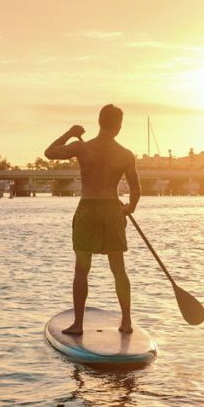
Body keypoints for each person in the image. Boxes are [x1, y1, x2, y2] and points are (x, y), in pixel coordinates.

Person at [45, 104, 141, 335]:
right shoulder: (126, 154)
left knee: (82, 269)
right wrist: (130, 208)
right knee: (119, 269)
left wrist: (69, 133)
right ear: (118, 126)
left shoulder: (82, 147)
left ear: (99, 122)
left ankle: (78, 325)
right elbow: (136, 189)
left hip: (88, 209)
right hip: (112, 209)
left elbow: (49, 152)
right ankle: (126, 322)